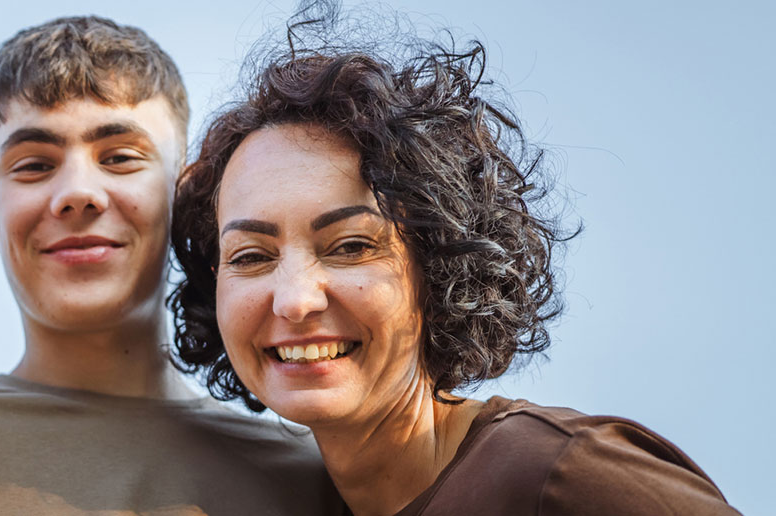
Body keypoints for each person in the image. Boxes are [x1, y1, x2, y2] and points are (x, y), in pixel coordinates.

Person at [167, 11, 740, 516]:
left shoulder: (561, 477)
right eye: (251, 256)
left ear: (438, 266)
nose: (295, 300)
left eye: (351, 247)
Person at [0, 16, 340, 515]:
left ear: (187, 195)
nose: (77, 193)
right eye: (34, 165)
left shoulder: (311, 475)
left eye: (120, 158)